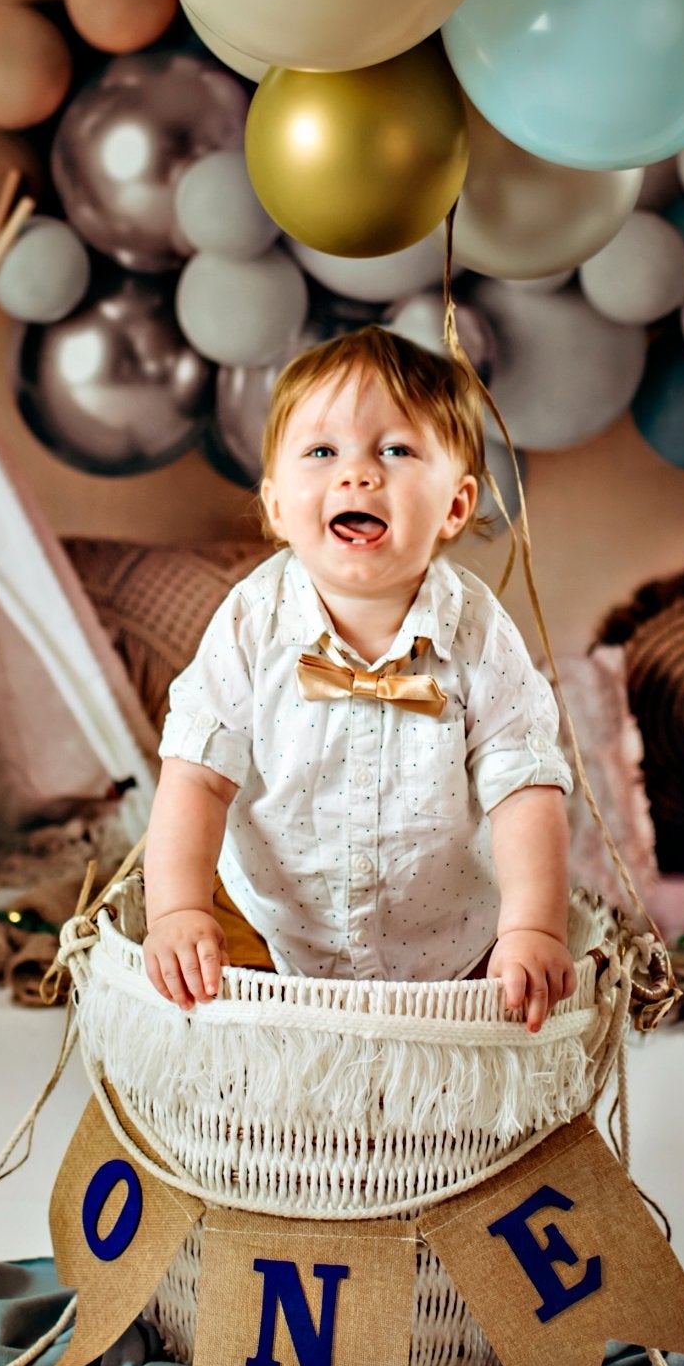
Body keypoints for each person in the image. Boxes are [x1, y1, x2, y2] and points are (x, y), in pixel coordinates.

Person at [143, 325, 577, 1030]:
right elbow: (195, 774)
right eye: (322, 452)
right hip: (268, 921)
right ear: (278, 507)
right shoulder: (253, 621)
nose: (358, 474)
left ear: (457, 507)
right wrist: (179, 910)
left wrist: (532, 928)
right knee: (220, 1012)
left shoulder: (476, 631)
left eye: (397, 451)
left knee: (488, 1026)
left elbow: (524, 785)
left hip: (446, 941)